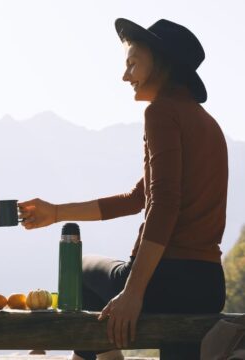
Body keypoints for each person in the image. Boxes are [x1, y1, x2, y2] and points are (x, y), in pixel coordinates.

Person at [19, 18, 227, 360]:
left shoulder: (161, 112)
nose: (125, 75)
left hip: (164, 281)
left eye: (132, 63)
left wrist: (133, 292)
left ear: (162, 63)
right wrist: (55, 213)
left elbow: (164, 205)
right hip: (206, 286)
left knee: (82, 270)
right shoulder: (206, 122)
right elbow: (137, 199)